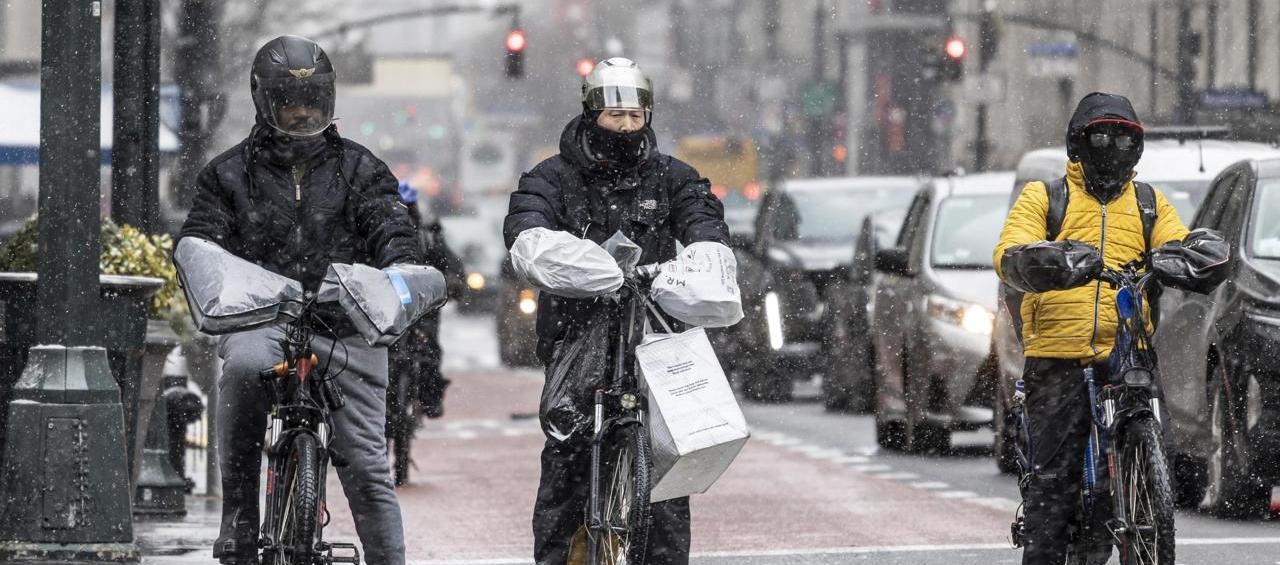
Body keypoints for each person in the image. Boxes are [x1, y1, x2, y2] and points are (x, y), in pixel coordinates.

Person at [180, 35, 420, 565]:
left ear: (330, 101)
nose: (302, 112)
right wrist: (213, 274)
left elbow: (391, 226)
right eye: (288, 102)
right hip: (262, 317)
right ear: (264, 102)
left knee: (367, 463)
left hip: (347, 322)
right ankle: (239, 519)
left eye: (312, 102)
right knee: (242, 371)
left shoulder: (362, 169)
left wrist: (400, 267)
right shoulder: (226, 174)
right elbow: (202, 241)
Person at [503, 57, 730, 565]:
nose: (626, 127)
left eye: (635, 115)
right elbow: (526, 229)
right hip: (574, 335)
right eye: (613, 115)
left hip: (655, 338)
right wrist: (585, 269)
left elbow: (705, 222)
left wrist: (704, 256)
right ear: (590, 113)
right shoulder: (552, 177)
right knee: (566, 465)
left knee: (667, 475)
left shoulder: (674, 177)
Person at [993, 92, 1229, 564]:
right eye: (1101, 136)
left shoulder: (1148, 204)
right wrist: (1054, 259)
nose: (1112, 147)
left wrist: (1193, 255)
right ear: (1079, 143)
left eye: (1124, 138)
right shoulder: (1045, 197)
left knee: (1149, 446)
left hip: (1127, 351)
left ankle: (1138, 508)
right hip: (1059, 359)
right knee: (1053, 492)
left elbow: (1177, 242)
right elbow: (1009, 253)